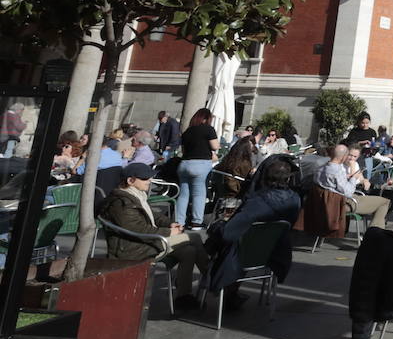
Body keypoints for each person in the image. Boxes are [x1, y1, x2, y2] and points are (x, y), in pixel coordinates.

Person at [102, 162, 209, 311]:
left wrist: (170, 224)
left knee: (189, 251)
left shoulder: (135, 195)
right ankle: (211, 278)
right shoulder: (121, 203)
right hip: (133, 248)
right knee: (194, 238)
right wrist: (168, 232)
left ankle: (183, 295)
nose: (149, 181)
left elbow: (152, 215)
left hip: (145, 242)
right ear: (130, 181)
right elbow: (138, 229)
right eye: (145, 179)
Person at [207, 154, 302, 312]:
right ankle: (230, 291)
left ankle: (221, 288)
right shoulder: (295, 199)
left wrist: (218, 226)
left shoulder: (258, 202)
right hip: (275, 252)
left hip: (248, 253)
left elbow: (228, 234)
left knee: (218, 240)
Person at [318, 144, 390, 230]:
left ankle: (374, 232)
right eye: (350, 155)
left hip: (345, 198)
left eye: (355, 156)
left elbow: (361, 178)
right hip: (345, 201)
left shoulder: (351, 165)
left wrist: (365, 181)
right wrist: (353, 176)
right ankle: (374, 235)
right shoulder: (338, 168)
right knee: (384, 202)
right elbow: (348, 192)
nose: (352, 158)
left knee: (384, 199)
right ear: (345, 154)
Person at [175, 109, 219, 228]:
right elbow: (215, 146)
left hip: (184, 164)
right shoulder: (208, 129)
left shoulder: (187, 131)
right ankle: (196, 222)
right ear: (206, 118)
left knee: (183, 195)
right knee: (199, 194)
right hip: (200, 164)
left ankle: (179, 222)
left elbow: (184, 151)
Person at [213, 137, 257, 204]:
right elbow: (246, 178)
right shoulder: (245, 163)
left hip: (221, 190)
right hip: (235, 191)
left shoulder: (228, 159)